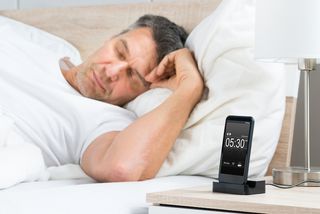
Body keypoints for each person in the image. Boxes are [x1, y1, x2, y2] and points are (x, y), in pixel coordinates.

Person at [0, 14, 203, 186]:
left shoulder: (108, 122)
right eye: (120, 51)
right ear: (111, 38)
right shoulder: (32, 45)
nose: (111, 71)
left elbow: (122, 167)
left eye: (133, 76)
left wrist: (190, 88)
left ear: (148, 89)